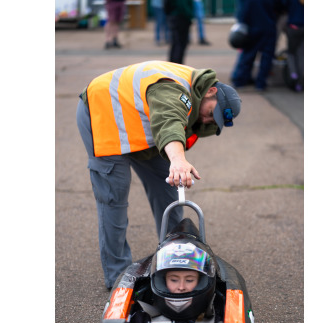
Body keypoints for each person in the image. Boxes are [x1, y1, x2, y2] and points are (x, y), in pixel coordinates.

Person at [76, 61, 242, 290]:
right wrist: (178, 159)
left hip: (141, 129)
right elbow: (168, 121)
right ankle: (118, 277)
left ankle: (173, 260)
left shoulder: (196, 94)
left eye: (214, 123)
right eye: (211, 114)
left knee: (169, 193)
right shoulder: (172, 88)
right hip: (104, 114)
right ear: (210, 91)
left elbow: (171, 124)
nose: (207, 122)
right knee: (114, 197)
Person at [128, 242, 222, 323]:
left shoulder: (219, 321)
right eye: (174, 280)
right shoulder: (140, 319)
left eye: (189, 280)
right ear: (163, 281)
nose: (181, 287)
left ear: (200, 281)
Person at [230, 0, 279, 91]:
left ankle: (240, 80)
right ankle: (260, 83)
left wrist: (241, 24)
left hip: (251, 27)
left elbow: (242, 12)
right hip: (268, 26)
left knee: (247, 55)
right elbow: (280, 6)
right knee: (266, 57)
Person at [282, 0, 304, 91]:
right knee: (301, 54)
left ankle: (293, 74)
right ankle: (301, 81)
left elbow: (282, 5)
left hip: (293, 27)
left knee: (291, 53)